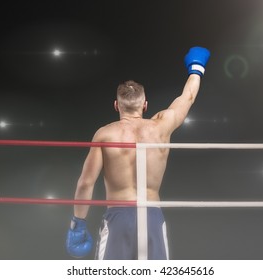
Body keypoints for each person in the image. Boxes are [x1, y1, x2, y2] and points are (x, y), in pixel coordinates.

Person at [66, 46, 210, 260]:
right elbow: (187, 97)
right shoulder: (161, 126)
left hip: (118, 218)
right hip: (151, 216)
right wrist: (196, 69)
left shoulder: (105, 134)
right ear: (145, 105)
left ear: (116, 105)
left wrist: (77, 224)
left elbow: (86, 183)